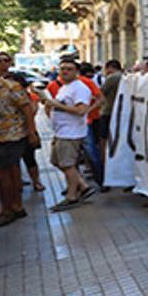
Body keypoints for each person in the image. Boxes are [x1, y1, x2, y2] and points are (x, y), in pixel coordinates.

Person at [0, 56, 40, 227]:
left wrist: (32, 133)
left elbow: (27, 110)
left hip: (11, 136)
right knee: (8, 173)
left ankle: (8, 209)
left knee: (4, 174)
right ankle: (15, 207)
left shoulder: (11, 87)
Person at [38, 59, 96, 211]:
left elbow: (81, 111)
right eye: (62, 68)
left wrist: (56, 105)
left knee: (68, 165)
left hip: (71, 133)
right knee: (56, 161)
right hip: (61, 131)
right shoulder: (65, 87)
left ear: (76, 71)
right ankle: (83, 186)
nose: (64, 72)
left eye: (69, 69)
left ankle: (72, 197)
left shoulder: (79, 88)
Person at [0, 52, 43, 191]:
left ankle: (36, 181)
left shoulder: (15, 81)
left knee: (29, 157)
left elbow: (29, 105)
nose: (2, 63)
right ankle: (15, 184)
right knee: (8, 162)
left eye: (6, 60)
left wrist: (31, 130)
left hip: (21, 127)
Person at [96, 60, 124, 182]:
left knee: (104, 143)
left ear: (109, 68)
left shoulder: (113, 77)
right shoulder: (126, 77)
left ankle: (105, 173)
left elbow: (100, 93)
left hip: (107, 113)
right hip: (120, 113)